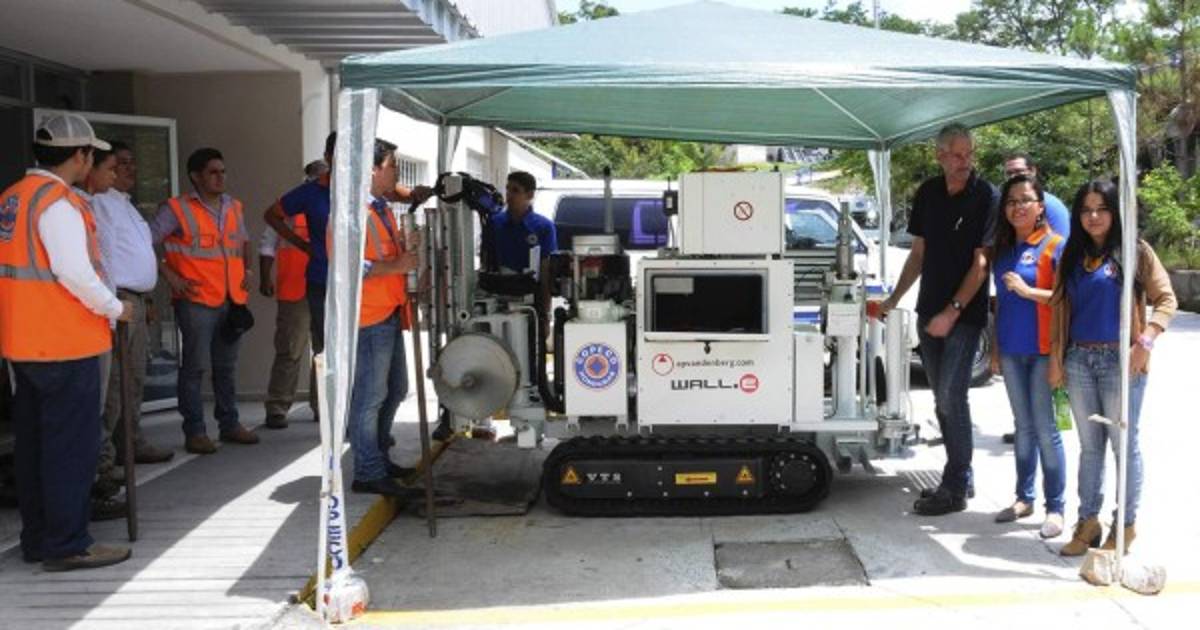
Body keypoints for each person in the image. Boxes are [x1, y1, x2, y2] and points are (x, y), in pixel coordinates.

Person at [0, 113, 134, 570]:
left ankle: (40, 539)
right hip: (65, 343)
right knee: (70, 450)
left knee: (35, 449)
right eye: (91, 155)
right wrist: (116, 308)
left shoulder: (13, 198)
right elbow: (74, 273)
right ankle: (68, 543)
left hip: (24, 343)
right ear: (81, 156)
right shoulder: (58, 203)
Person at [1050, 179, 1176, 556]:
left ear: (1115, 212)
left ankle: (1125, 526)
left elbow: (1166, 300)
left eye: (1102, 209)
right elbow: (1059, 308)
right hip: (1078, 361)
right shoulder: (1070, 254)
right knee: (1090, 448)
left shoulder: (1135, 250)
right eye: (1086, 210)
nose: (1093, 216)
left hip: (1121, 362)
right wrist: (1057, 360)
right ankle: (1088, 522)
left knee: (1124, 446)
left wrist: (1145, 342)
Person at [879, 123, 998, 516]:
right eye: (958, 154)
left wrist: (953, 311)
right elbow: (918, 254)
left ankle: (955, 486)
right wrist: (893, 299)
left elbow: (982, 264)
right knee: (942, 401)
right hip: (928, 313)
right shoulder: (928, 192)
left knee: (951, 397)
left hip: (965, 316)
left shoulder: (986, 195)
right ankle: (961, 474)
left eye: (969, 153)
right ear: (940, 156)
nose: (966, 161)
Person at [152, 148, 258, 454]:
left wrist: (247, 270)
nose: (220, 177)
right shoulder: (176, 209)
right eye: (213, 172)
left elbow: (243, 242)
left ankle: (229, 424)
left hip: (231, 299)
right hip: (196, 299)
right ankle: (195, 431)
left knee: (226, 367)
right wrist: (169, 275)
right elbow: (144, 242)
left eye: (223, 171)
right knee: (195, 368)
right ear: (196, 176)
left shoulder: (233, 206)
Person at [988, 174, 1067, 538]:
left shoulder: (1055, 246)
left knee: (1046, 429)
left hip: (1044, 351)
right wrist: (995, 349)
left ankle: (1056, 507)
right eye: (1011, 201)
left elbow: (1066, 299)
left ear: (1040, 207)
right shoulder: (1003, 251)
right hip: (1011, 350)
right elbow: (1000, 306)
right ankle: (1024, 497)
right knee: (1023, 426)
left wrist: (1027, 290)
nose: (1018, 207)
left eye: (1025, 200)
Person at [347, 139, 422, 498]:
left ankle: (376, 458)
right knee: (370, 397)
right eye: (392, 166)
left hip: (388, 311)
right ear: (372, 169)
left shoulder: (381, 210)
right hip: (369, 317)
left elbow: (387, 255)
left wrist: (407, 247)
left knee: (395, 389)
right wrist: (397, 265)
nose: (396, 173)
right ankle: (368, 471)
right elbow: (349, 265)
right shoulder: (352, 213)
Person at [93, 142, 174, 468]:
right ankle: (104, 458)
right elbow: (106, 258)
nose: (129, 169)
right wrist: (113, 305)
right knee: (114, 382)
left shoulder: (126, 205)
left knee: (134, 378)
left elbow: (134, 256)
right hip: (119, 300)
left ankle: (130, 442)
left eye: (130, 163)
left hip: (136, 299)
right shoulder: (101, 203)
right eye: (119, 164)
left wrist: (148, 298)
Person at [259, 208, 312, 430]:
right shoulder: (286, 210)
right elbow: (267, 245)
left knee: (327, 352)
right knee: (289, 350)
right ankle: (277, 407)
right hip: (294, 289)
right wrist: (265, 277)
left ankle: (325, 407)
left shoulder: (336, 205)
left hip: (327, 289)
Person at [1003, 153, 1070, 237]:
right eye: (1009, 173)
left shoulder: (1051, 205)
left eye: (1019, 171)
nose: (1013, 177)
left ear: (1033, 171)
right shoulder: (1004, 204)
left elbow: (1062, 241)